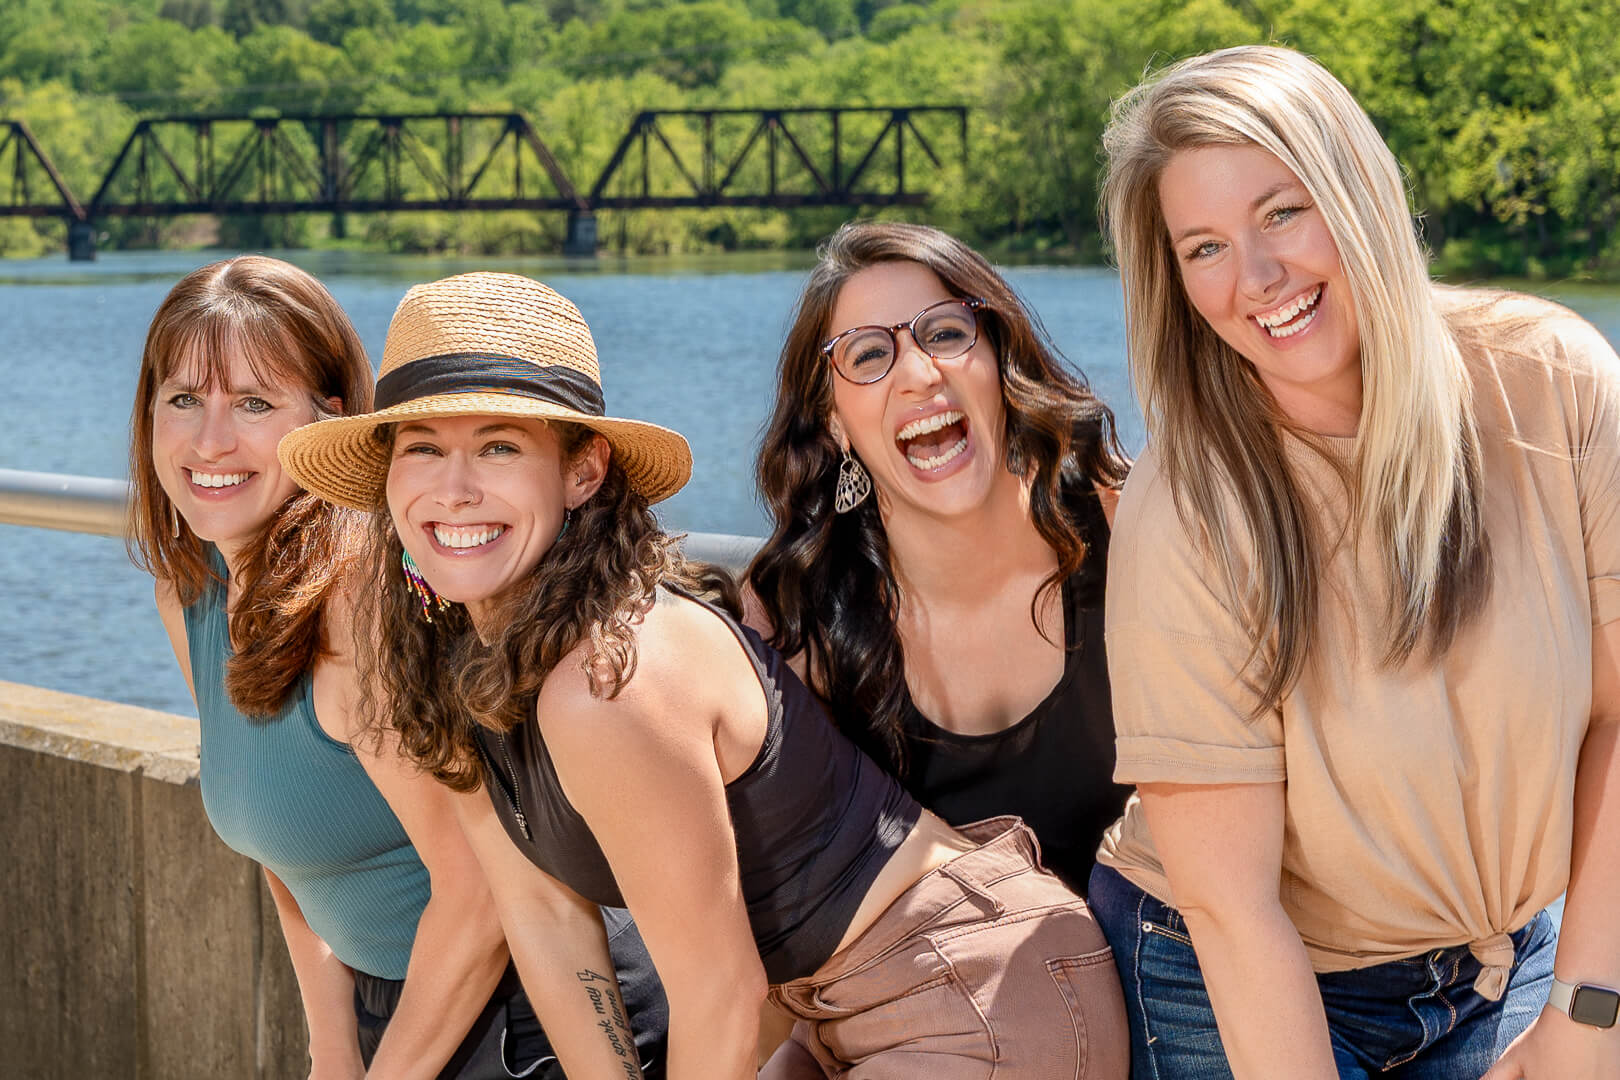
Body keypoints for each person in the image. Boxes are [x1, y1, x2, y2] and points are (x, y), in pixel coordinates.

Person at [276, 270, 1129, 1080]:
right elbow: (544, 921)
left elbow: (718, 994)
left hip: (975, 990)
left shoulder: (614, 676)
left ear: (583, 471)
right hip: (835, 1017)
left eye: (498, 447)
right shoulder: (466, 662)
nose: (454, 489)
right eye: (422, 450)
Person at [1089, 44, 1620, 1080]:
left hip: (1502, 965)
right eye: (1203, 247)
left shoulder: (1554, 385)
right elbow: (1232, 907)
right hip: (1228, 977)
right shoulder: (1191, 507)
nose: (1255, 280)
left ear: (1360, 190)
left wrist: (1588, 1018)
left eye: (1282, 212)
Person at [128, 256, 667, 1079]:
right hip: (404, 1011)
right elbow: (284, 852)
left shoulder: (355, 602)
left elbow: (484, 895)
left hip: (528, 1020)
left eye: (254, 402)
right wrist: (333, 1052)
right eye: (184, 400)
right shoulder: (192, 594)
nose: (211, 441)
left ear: (327, 417)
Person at [746, 221, 1133, 894]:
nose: (921, 375)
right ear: (834, 420)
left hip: (1167, 978)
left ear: (999, 362)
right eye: (867, 356)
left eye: (947, 333)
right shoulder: (798, 612)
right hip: (957, 990)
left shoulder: (1125, 525)